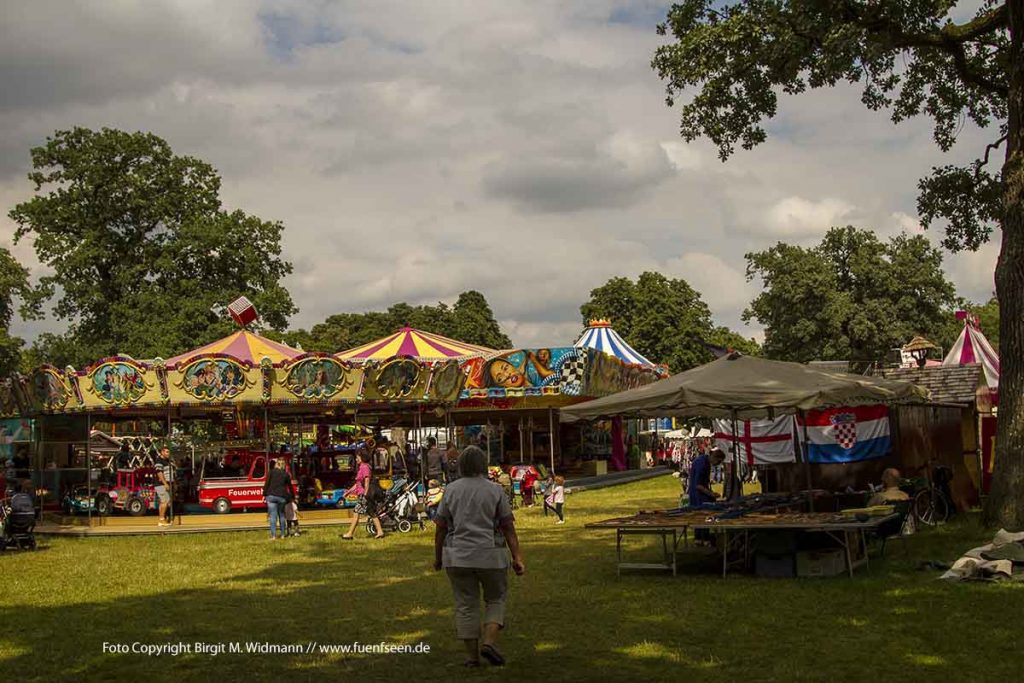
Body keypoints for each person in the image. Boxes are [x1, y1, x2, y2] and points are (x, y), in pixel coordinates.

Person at [433, 446, 525, 668]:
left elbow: (441, 528)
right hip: (491, 554)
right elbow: (507, 527)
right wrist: (517, 557)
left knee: (465, 605)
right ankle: (490, 641)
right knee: (496, 598)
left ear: (462, 465)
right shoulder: (495, 491)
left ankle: (472, 658)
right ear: (483, 464)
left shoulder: (451, 490)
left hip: (457, 556)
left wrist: (438, 558)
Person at [341, 449, 384, 540]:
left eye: (357, 457)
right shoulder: (362, 467)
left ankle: (350, 533)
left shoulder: (365, 467)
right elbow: (358, 484)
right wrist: (348, 492)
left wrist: (365, 495)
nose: (356, 459)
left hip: (365, 494)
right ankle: (380, 532)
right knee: (372, 513)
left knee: (356, 512)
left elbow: (367, 481)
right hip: (363, 494)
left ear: (362, 457)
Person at [263, 459, 292, 541]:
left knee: (273, 516)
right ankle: (283, 535)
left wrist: (264, 494)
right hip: (282, 496)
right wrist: (292, 497)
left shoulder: (271, 472)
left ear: (276, 464)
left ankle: (273, 536)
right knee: (282, 515)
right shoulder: (286, 474)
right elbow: (289, 487)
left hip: (271, 496)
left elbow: (267, 484)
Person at [154, 447, 174, 527]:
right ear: (162, 452)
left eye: (168, 452)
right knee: (164, 502)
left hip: (167, 484)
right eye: (166, 452)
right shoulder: (159, 461)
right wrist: (165, 483)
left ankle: (162, 518)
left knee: (166, 502)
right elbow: (159, 473)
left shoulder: (167, 461)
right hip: (161, 484)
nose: (168, 454)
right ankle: (161, 520)